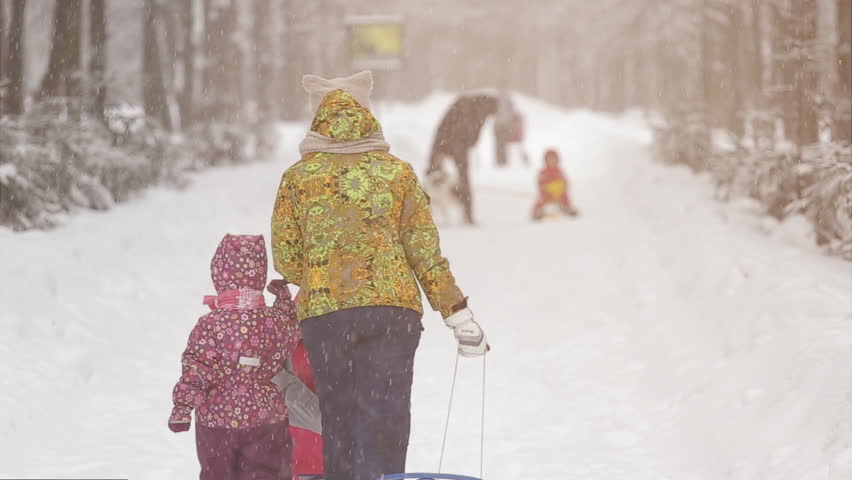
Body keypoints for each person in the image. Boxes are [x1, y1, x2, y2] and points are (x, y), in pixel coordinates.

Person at [271, 70, 488, 480]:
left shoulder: (298, 178)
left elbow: (286, 257)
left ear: (319, 118)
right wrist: (458, 315)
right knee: (386, 416)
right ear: (367, 115)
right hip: (392, 313)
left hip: (326, 316)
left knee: (338, 418)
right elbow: (424, 251)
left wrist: (325, 273)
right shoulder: (398, 173)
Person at [168, 234, 301, 480]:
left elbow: (197, 367)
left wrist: (183, 407)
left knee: (218, 474)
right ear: (259, 275)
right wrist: (283, 300)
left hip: (217, 419)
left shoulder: (211, 324)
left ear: (219, 274)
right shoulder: (275, 321)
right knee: (269, 473)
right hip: (266, 417)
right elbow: (292, 332)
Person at [426, 92, 499, 225]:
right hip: (448, 144)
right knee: (433, 178)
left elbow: (472, 134)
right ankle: (423, 214)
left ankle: (466, 212)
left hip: (457, 145)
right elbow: (449, 129)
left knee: (461, 178)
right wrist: (440, 152)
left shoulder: (477, 110)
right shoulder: (469, 108)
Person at [531, 149, 578, 220]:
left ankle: (567, 208)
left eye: (553, 159)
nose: (552, 161)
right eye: (549, 159)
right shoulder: (543, 172)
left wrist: (563, 187)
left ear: (557, 160)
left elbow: (565, 181)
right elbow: (540, 183)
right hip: (547, 193)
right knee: (542, 199)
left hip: (559, 192)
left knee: (565, 197)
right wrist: (545, 189)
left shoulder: (559, 171)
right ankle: (537, 211)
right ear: (546, 161)